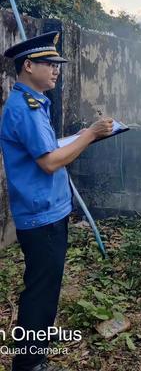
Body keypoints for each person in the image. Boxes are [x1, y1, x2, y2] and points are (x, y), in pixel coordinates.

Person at [0, 31, 113, 371]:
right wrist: (91, 135)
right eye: (49, 64)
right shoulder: (26, 109)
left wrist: (81, 136)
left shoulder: (34, 102)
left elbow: (49, 148)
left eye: (58, 64)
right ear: (28, 65)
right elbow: (49, 162)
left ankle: (32, 358)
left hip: (49, 211)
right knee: (41, 293)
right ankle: (29, 363)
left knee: (44, 288)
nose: (56, 70)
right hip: (42, 216)